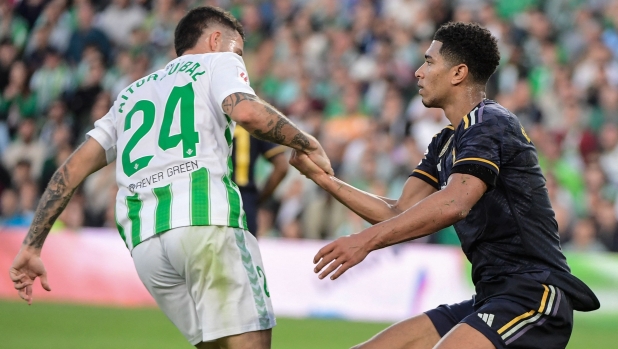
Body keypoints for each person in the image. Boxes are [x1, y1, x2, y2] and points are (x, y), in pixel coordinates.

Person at [9, 6, 332, 349]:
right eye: (239, 50)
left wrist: (31, 246)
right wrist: (308, 143)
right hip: (205, 224)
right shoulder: (218, 61)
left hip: (147, 246)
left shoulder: (129, 95)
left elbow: (69, 171)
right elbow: (247, 111)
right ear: (215, 39)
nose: (241, 62)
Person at [290, 22, 599, 349]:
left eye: (429, 61)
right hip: (490, 298)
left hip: (532, 294)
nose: (418, 72)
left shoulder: (490, 122)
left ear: (458, 73)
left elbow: (456, 202)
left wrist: (364, 242)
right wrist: (324, 179)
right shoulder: (445, 141)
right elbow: (397, 211)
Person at [231, 125, 288, 237]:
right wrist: (259, 198)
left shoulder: (211, 119)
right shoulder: (252, 122)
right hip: (244, 200)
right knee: (246, 251)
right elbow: (282, 166)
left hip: (211, 196)